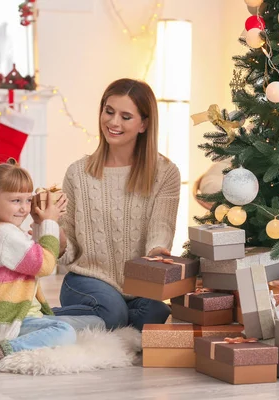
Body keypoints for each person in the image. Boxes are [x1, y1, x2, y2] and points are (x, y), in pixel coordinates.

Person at [0, 151, 104, 376]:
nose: (24, 208)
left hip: (23, 314)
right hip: (8, 322)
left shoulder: (3, 231)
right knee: (64, 331)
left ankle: (27, 339)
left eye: (28, 200)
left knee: (96, 323)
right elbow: (45, 265)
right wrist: (49, 223)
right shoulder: (4, 234)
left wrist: (40, 224)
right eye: (16, 200)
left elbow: (35, 256)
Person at [52, 78, 181, 331]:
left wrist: (157, 252)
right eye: (109, 112)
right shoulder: (78, 173)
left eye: (125, 116)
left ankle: (101, 320)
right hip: (87, 280)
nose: (113, 122)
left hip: (138, 285)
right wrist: (49, 227)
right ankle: (41, 319)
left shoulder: (165, 173)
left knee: (158, 313)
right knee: (112, 311)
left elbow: (161, 226)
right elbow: (68, 248)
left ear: (144, 124)